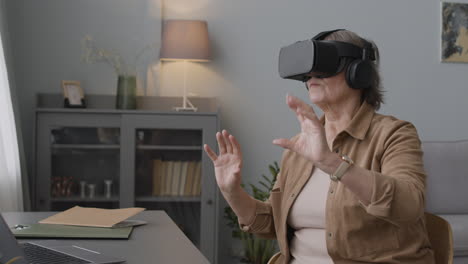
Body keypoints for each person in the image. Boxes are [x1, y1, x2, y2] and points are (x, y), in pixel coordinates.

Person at [203, 29, 435, 264]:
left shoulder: (394, 134)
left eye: (325, 64)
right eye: (308, 69)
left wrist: (332, 163)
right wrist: (231, 191)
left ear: (359, 72)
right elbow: (272, 223)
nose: (311, 75)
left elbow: (409, 206)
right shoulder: (302, 147)